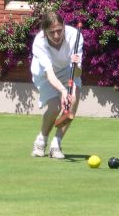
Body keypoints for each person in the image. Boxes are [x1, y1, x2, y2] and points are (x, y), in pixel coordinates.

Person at [30, 11, 83, 159]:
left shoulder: (75, 36)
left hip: (68, 70)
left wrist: (76, 64)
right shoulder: (39, 42)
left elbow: (77, 73)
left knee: (72, 102)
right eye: (51, 32)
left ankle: (56, 144)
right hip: (45, 74)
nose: (56, 35)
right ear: (45, 32)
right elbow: (50, 74)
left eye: (59, 30)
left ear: (64, 26)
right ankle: (41, 140)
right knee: (54, 108)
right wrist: (62, 90)